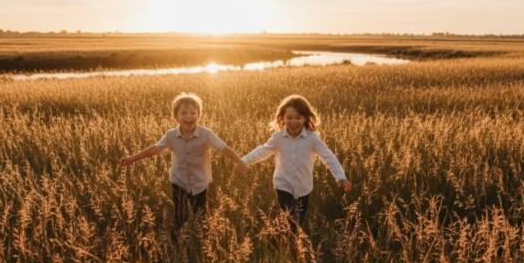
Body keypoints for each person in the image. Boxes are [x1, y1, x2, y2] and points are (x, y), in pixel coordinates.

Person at [120, 92, 247, 235]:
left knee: (202, 217)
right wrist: (133, 158)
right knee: (180, 217)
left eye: (193, 113)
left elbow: (224, 148)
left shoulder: (206, 134)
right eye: (183, 113)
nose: (188, 117)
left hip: (200, 183)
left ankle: (203, 242)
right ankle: (177, 242)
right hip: (178, 182)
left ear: (199, 115)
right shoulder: (170, 136)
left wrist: (240, 162)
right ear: (176, 117)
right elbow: (154, 150)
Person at [242, 94, 351, 234]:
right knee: (291, 216)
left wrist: (340, 177)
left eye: (298, 117)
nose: (293, 121)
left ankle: (290, 243)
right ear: (282, 118)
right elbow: (263, 151)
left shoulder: (312, 139)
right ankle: (286, 240)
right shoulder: (278, 138)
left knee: (298, 222)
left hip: (304, 187)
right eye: (289, 117)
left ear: (305, 118)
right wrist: (244, 161)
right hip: (283, 185)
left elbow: (328, 157)